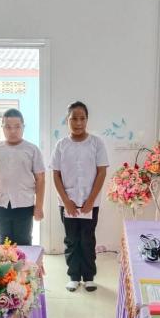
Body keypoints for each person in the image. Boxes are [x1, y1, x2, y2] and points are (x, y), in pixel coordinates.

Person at [51, 101, 108, 292]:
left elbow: (101, 172)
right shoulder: (61, 145)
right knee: (71, 239)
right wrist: (66, 201)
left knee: (87, 239)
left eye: (82, 118)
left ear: (87, 120)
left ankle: (89, 277)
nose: (78, 123)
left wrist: (90, 200)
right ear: (67, 120)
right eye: (73, 118)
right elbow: (56, 175)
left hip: (91, 202)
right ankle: (74, 276)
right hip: (68, 203)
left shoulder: (96, 143)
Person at [0, 108, 45, 245]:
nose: (13, 131)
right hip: (0, 205)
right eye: (8, 127)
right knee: (3, 244)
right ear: (2, 128)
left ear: (23, 127)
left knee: (24, 243)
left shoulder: (32, 150)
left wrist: (39, 206)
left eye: (17, 127)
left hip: (24, 205)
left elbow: (40, 179)